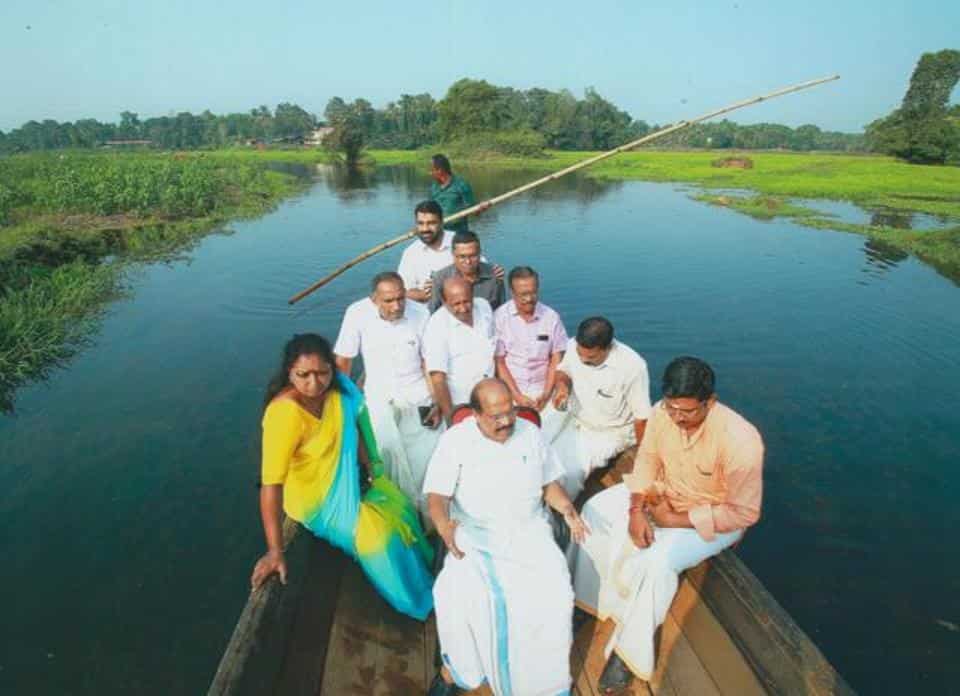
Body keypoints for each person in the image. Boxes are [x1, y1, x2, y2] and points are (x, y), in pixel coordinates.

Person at [567, 357, 764, 692]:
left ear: (710, 402)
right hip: (664, 491)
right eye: (672, 408)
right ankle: (586, 601)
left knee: (656, 562)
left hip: (713, 515)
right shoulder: (662, 412)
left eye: (686, 412)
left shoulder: (742, 440)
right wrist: (635, 509)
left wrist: (674, 520)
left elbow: (744, 513)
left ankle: (627, 653)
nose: (677, 418)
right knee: (594, 508)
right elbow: (647, 460)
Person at [250, 334, 434, 621]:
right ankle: (416, 602)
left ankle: (426, 580)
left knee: (401, 507)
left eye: (323, 372)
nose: (314, 383)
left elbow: (358, 424)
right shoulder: (284, 415)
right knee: (380, 539)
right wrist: (275, 550)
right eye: (303, 375)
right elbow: (271, 485)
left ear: (332, 370)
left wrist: (372, 466)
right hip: (318, 502)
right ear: (289, 373)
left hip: (355, 479)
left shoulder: (341, 390)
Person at [423, 378, 589, 696]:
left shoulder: (531, 435)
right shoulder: (455, 440)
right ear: (475, 414)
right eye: (496, 416)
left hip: (529, 531)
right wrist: (443, 526)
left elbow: (549, 485)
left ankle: (544, 683)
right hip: (473, 532)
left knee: (555, 592)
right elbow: (437, 497)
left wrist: (567, 509)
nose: (507, 422)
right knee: (462, 593)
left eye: (510, 412)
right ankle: (456, 671)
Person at [333, 271, 441, 511]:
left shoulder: (420, 313)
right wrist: (343, 407)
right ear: (374, 300)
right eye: (389, 301)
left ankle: (429, 513)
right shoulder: (357, 313)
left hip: (418, 393)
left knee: (427, 454)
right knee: (385, 450)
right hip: (378, 395)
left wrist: (436, 400)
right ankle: (398, 509)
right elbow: (343, 362)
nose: (397, 306)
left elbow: (428, 362)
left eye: (401, 298)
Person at [549, 317, 652, 499]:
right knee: (540, 448)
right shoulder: (574, 345)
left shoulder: (633, 367)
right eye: (580, 354)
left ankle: (564, 513)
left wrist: (645, 459)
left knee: (570, 472)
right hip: (574, 417)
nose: (582, 360)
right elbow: (563, 371)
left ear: (607, 348)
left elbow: (642, 418)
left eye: (590, 358)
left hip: (609, 432)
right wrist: (563, 386)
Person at [423, 277, 497, 425]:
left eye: (467, 301)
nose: (463, 308)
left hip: (492, 399)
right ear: (444, 302)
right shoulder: (436, 327)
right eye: (456, 304)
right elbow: (438, 378)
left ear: (473, 295)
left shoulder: (484, 307)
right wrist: (451, 418)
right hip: (462, 404)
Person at [493, 266, 568, 410]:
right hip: (511, 390)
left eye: (533, 293)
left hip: (545, 387)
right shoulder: (499, 318)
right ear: (512, 292)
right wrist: (517, 396)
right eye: (523, 294)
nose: (529, 299)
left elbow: (556, 357)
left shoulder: (551, 317)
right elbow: (499, 362)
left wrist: (546, 394)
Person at [427, 231, 505, 312]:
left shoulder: (495, 274)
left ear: (480, 253)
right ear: (453, 254)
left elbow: (501, 311)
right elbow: (433, 312)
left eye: (473, 256)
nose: (468, 261)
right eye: (462, 256)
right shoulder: (440, 279)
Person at [398, 200, 458, 304]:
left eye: (431, 223)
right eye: (420, 223)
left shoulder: (459, 241)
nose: (425, 229)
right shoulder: (410, 253)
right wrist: (424, 294)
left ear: (441, 222)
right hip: (427, 313)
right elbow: (403, 291)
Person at [429, 153, 475, 234]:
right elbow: (431, 211)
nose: (430, 173)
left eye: (432, 170)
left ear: (440, 170)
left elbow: (473, 209)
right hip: (440, 233)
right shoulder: (433, 187)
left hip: (459, 234)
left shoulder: (461, 185)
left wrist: (480, 208)